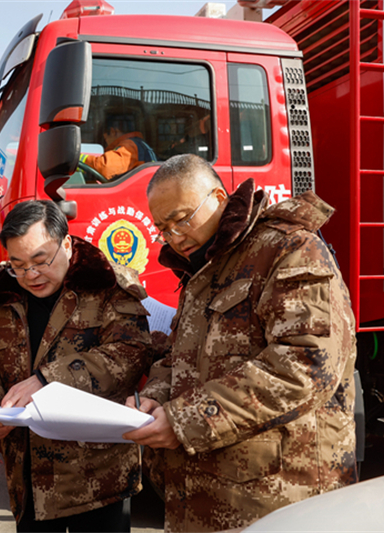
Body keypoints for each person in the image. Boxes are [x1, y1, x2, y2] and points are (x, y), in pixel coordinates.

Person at [123, 154, 357, 532]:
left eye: (182, 219)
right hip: (208, 498)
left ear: (218, 197)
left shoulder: (288, 249)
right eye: (163, 228)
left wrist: (183, 419)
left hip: (277, 502)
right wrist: (155, 397)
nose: (175, 236)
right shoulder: (205, 266)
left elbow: (306, 365)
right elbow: (181, 356)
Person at [0, 200, 153, 532]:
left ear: (66, 243)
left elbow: (130, 353)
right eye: (18, 265)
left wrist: (47, 380)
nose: (30, 275)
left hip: (97, 478)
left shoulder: (107, 285)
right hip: (27, 477)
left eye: (40, 261)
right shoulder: (4, 296)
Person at [79, 113, 157, 181]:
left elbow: (106, 167)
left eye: (105, 138)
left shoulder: (129, 146)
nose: (106, 143)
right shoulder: (139, 144)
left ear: (113, 131)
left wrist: (77, 159)